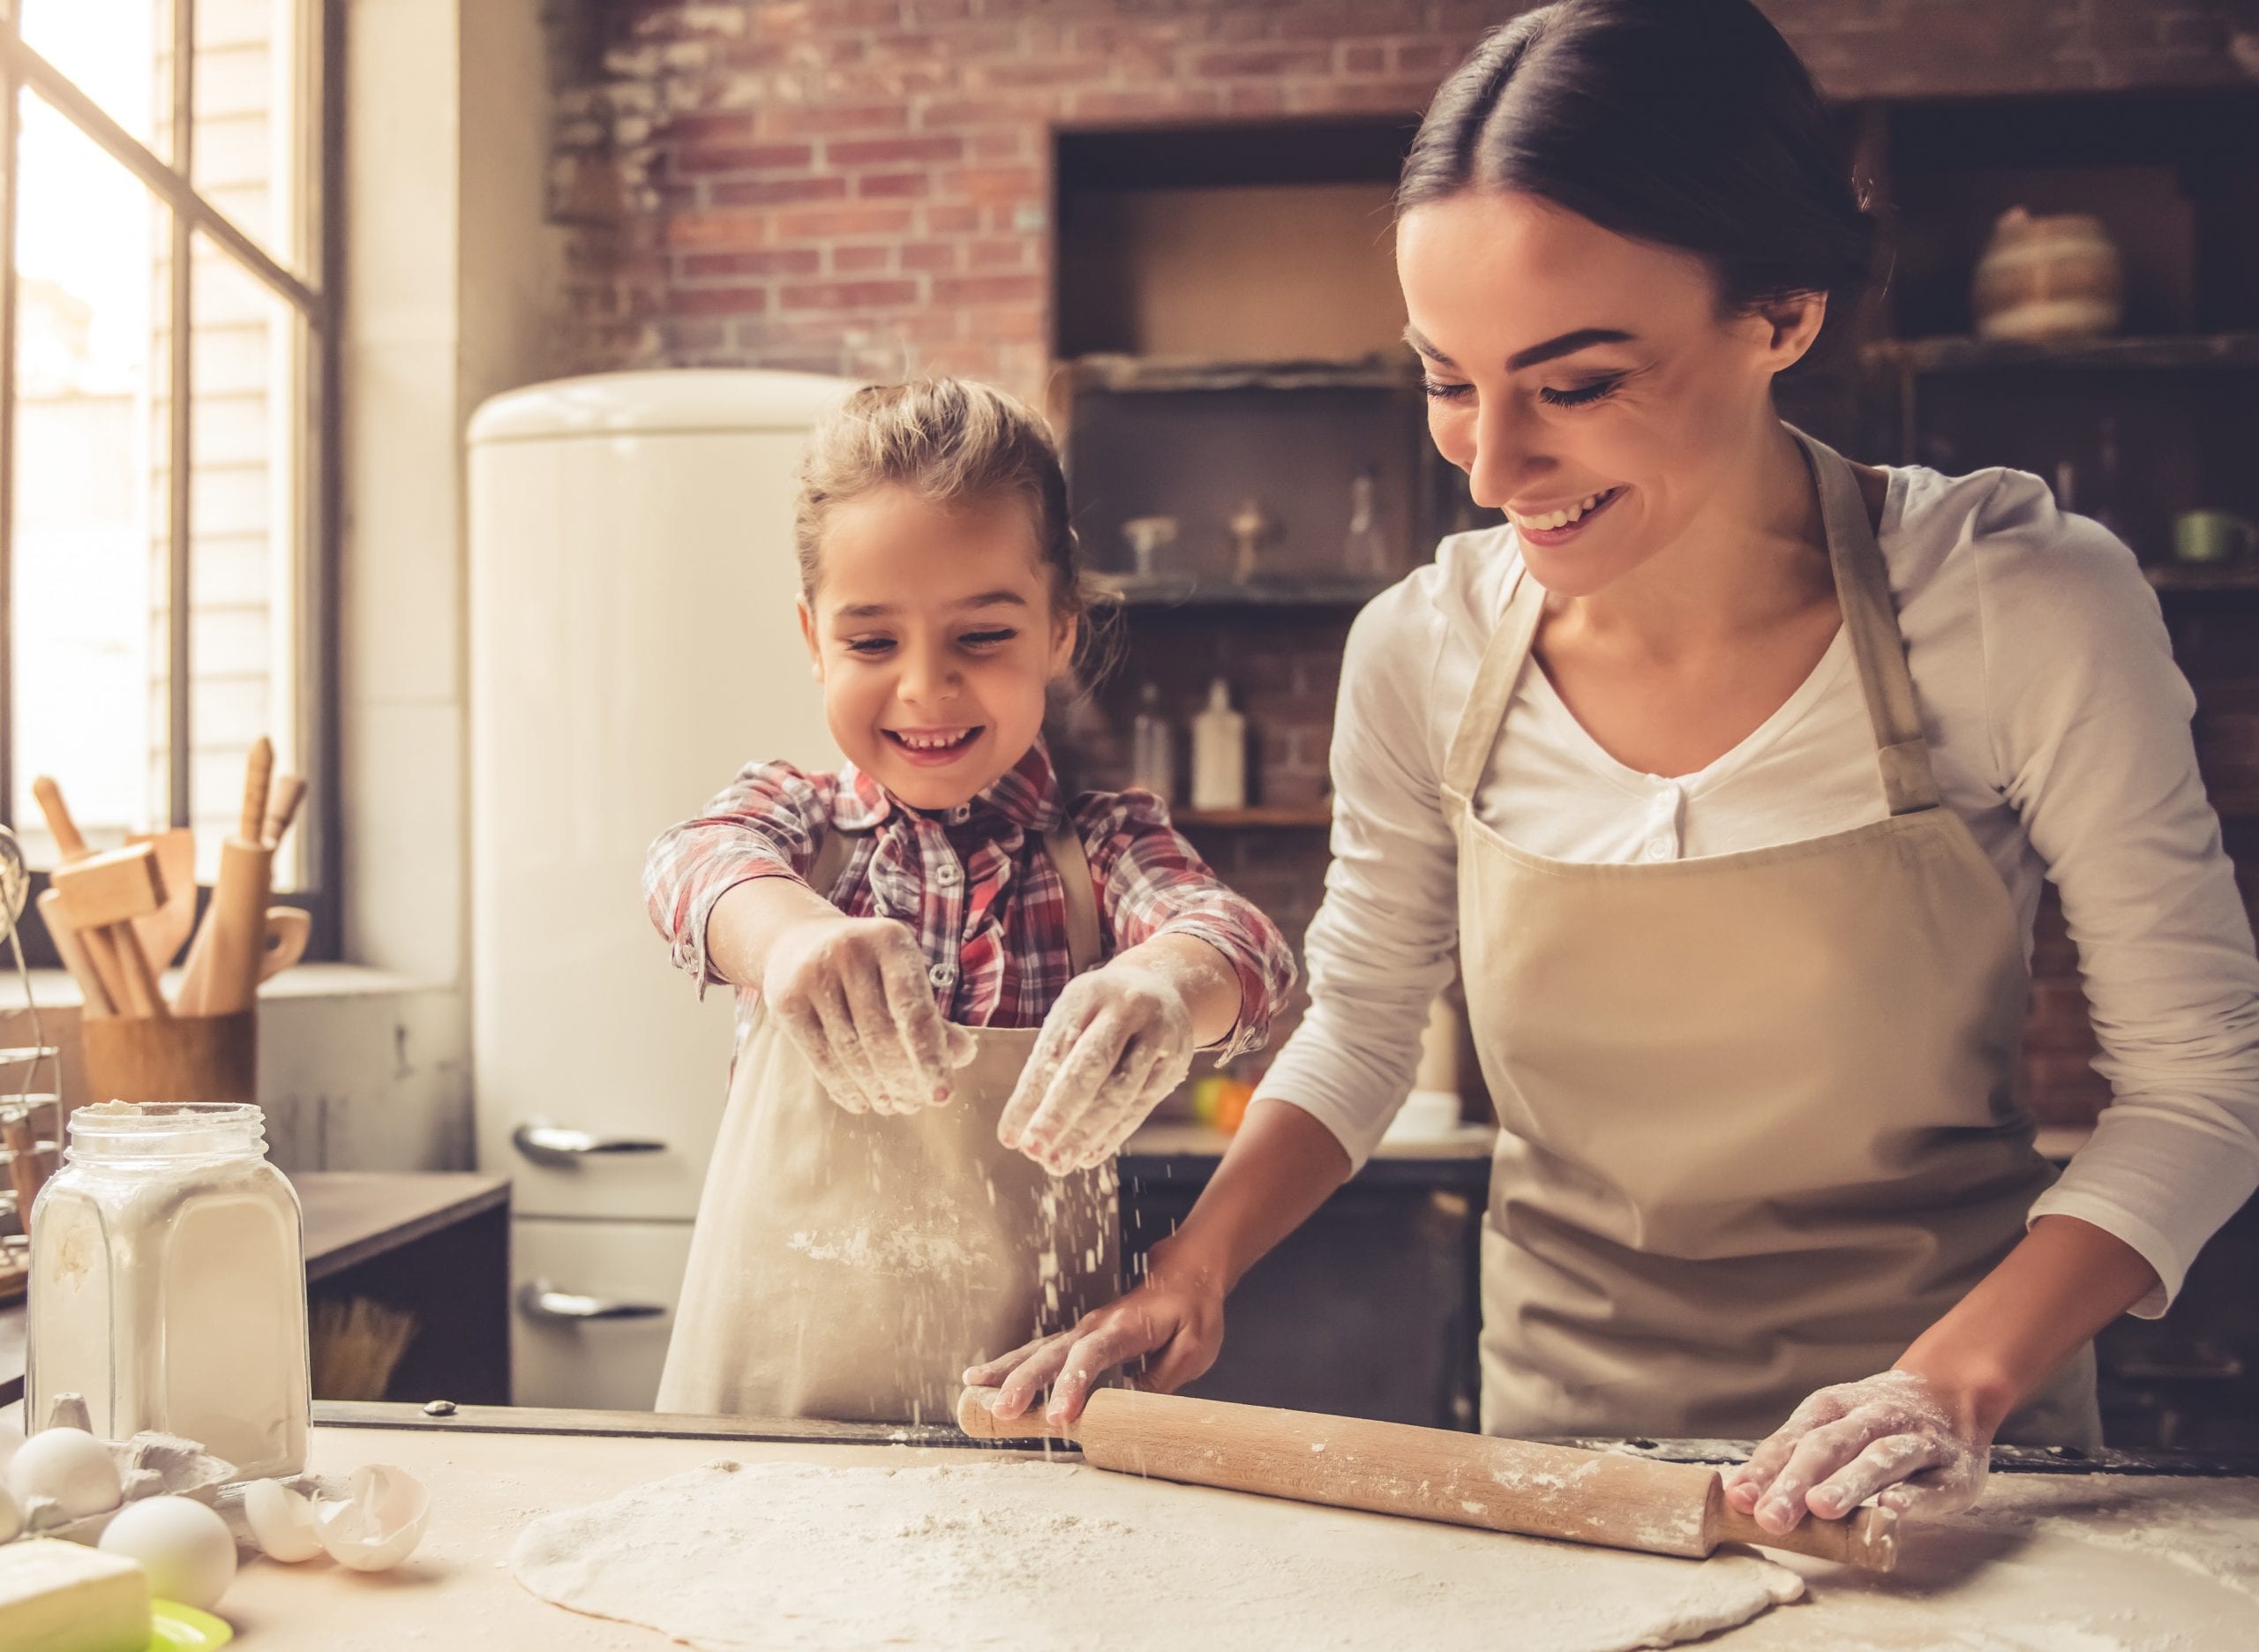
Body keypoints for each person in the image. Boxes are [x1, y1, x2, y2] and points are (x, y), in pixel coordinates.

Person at [968, 0, 2259, 1536]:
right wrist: (1191, 1271)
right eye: (1450, 381)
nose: (1492, 469)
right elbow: (1366, 1030)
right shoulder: (1422, 651)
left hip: (1950, 1468)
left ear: (1782, 314)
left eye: (1574, 385)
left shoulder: (2013, 602)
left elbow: (2204, 1083)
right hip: (1567, 1466)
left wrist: (1954, 1382)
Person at [648, 379, 1295, 1424]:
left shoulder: (1103, 847)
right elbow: (691, 867)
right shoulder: (793, 828)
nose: (924, 687)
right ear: (813, 640)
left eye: (982, 637)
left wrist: (1166, 984)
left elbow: (1240, 948)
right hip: (769, 1422)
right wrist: (790, 938)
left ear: (1058, 634)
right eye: (871, 643)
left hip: (1025, 1424)